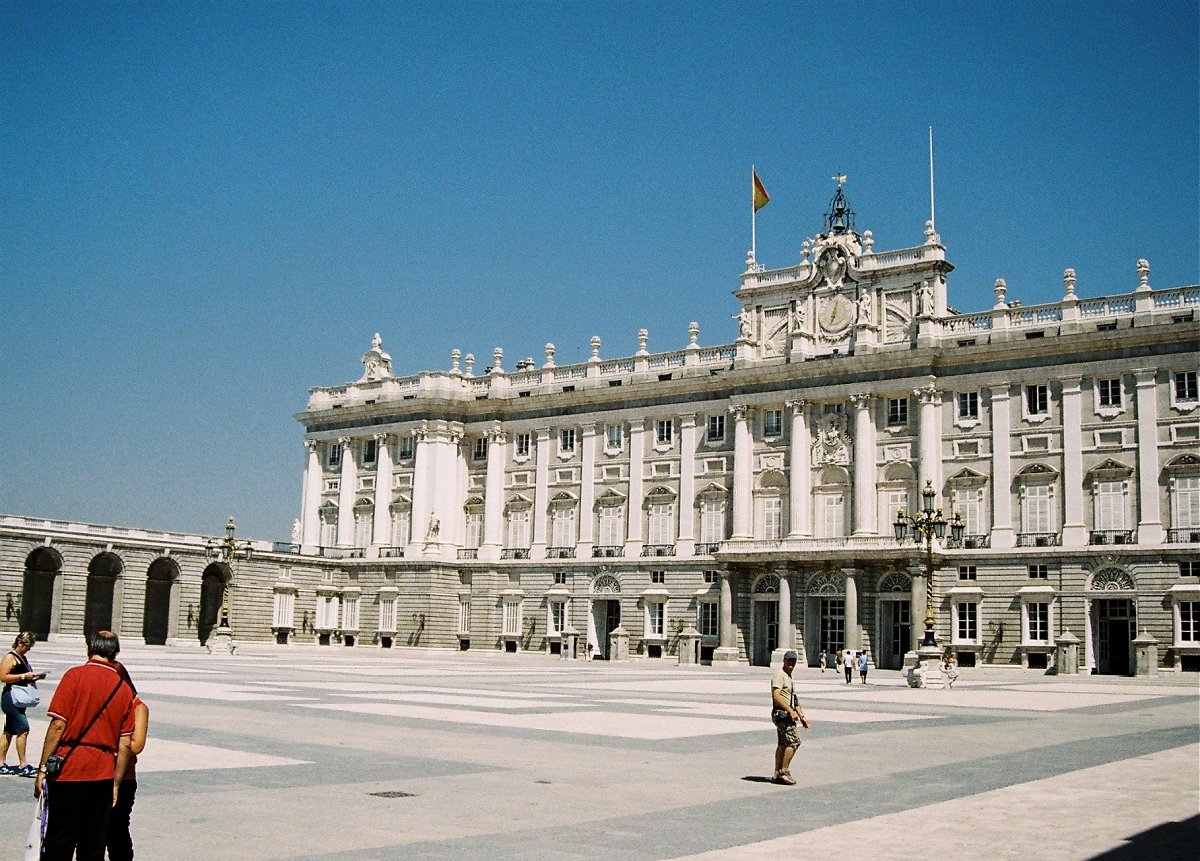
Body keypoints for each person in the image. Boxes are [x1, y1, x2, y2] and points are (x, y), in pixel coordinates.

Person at [34, 630, 137, 861]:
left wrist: (42, 769)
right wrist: (116, 784)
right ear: (116, 653)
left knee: (59, 840)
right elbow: (125, 744)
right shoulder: (123, 688)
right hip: (103, 774)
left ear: (88, 648)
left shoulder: (75, 676)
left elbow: (58, 726)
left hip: (70, 770)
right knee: (93, 845)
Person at [107, 661, 149, 861]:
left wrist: (109, 740)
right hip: (98, 772)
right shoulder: (106, 702)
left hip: (124, 777)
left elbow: (136, 745)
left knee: (117, 829)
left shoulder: (138, 707)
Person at [2, 632, 47, 777]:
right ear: (20, 643)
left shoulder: (22, 658)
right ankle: (23, 765)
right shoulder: (10, 657)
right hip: (11, 698)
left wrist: (35, 677)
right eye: (27, 646)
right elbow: (3, 677)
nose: (28, 649)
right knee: (23, 729)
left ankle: (1, 763)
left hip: (18, 698)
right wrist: (23, 676)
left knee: (8, 731)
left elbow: (24, 677)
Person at [770, 650, 809, 785]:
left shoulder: (788, 676)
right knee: (794, 742)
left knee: (783, 743)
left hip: (787, 713)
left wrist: (802, 716)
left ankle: (777, 773)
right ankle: (784, 771)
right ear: (784, 661)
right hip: (782, 714)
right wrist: (789, 710)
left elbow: (794, 699)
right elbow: (777, 696)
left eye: (793, 661)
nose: (791, 663)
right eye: (789, 660)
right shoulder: (779, 675)